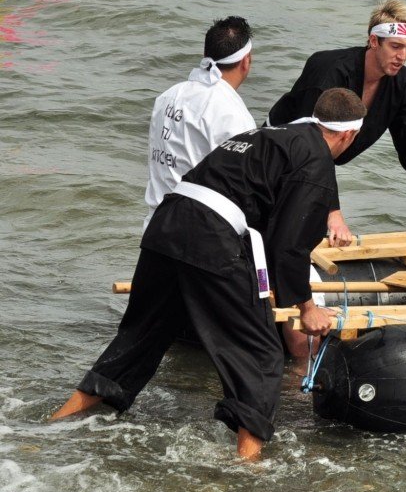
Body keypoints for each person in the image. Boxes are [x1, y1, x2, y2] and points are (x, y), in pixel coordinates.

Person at [51, 89, 367, 460]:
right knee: (261, 352)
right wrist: (306, 307)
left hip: (168, 223)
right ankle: (248, 465)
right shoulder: (316, 159)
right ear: (348, 135)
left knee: (142, 334)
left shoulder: (266, 135)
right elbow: (289, 245)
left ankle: (56, 424)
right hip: (210, 234)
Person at [266, 0, 406, 243]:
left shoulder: (403, 86)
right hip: (278, 154)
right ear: (374, 41)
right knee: (288, 227)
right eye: (395, 46)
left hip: (318, 163)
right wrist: (334, 213)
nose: (402, 56)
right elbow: (312, 144)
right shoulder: (329, 71)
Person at [144, 16, 256, 231]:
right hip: (200, 231)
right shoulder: (232, 112)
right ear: (246, 61)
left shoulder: (168, 96)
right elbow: (246, 184)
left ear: (206, 55)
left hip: (156, 224)